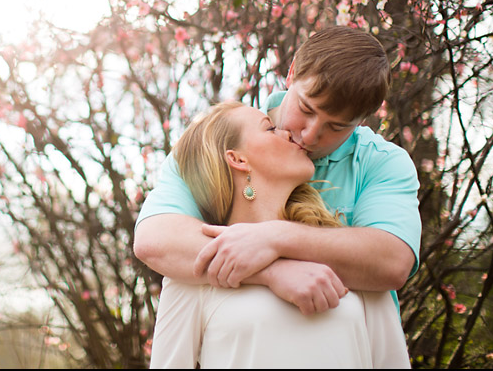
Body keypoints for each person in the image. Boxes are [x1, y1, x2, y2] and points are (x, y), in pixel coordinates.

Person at [134, 26, 421, 315]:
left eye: (336, 126)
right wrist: (272, 271)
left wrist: (275, 238)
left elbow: (393, 261)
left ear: (362, 120)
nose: (310, 135)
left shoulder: (381, 163)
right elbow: (154, 239)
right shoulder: (221, 139)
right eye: (306, 109)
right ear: (292, 73)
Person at [148, 101, 410, 367]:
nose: (288, 133)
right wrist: (273, 272)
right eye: (270, 128)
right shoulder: (194, 272)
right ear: (237, 159)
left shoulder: (351, 260)